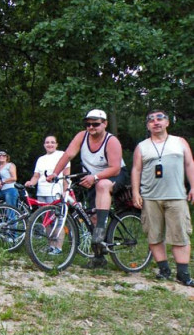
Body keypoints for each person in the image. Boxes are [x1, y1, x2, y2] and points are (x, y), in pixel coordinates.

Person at [47, 109, 127, 269]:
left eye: (95, 124)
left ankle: (101, 228)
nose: (91, 127)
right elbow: (67, 155)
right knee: (91, 217)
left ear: (105, 124)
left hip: (113, 175)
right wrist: (55, 172)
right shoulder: (82, 136)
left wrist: (96, 177)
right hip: (92, 178)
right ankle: (99, 257)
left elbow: (115, 168)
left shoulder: (111, 141)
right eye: (88, 124)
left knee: (102, 185)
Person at [131, 110, 194, 286]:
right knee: (154, 235)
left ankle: (183, 274)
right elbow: (136, 170)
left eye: (160, 118)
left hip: (176, 196)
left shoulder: (179, 142)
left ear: (167, 122)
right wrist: (136, 193)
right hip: (150, 197)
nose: (156, 122)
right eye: (151, 120)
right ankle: (164, 270)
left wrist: (193, 186)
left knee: (180, 235)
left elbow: (189, 164)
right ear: (148, 126)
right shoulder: (142, 146)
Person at [25, 135, 70, 203]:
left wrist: (65, 191)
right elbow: (36, 176)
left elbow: (66, 175)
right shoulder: (40, 159)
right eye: (47, 142)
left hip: (55, 193)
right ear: (44, 145)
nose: (50, 144)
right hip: (41, 193)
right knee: (42, 213)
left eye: (52, 142)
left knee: (53, 213)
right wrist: (30, 183)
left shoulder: (62, 155)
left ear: (56, 144)